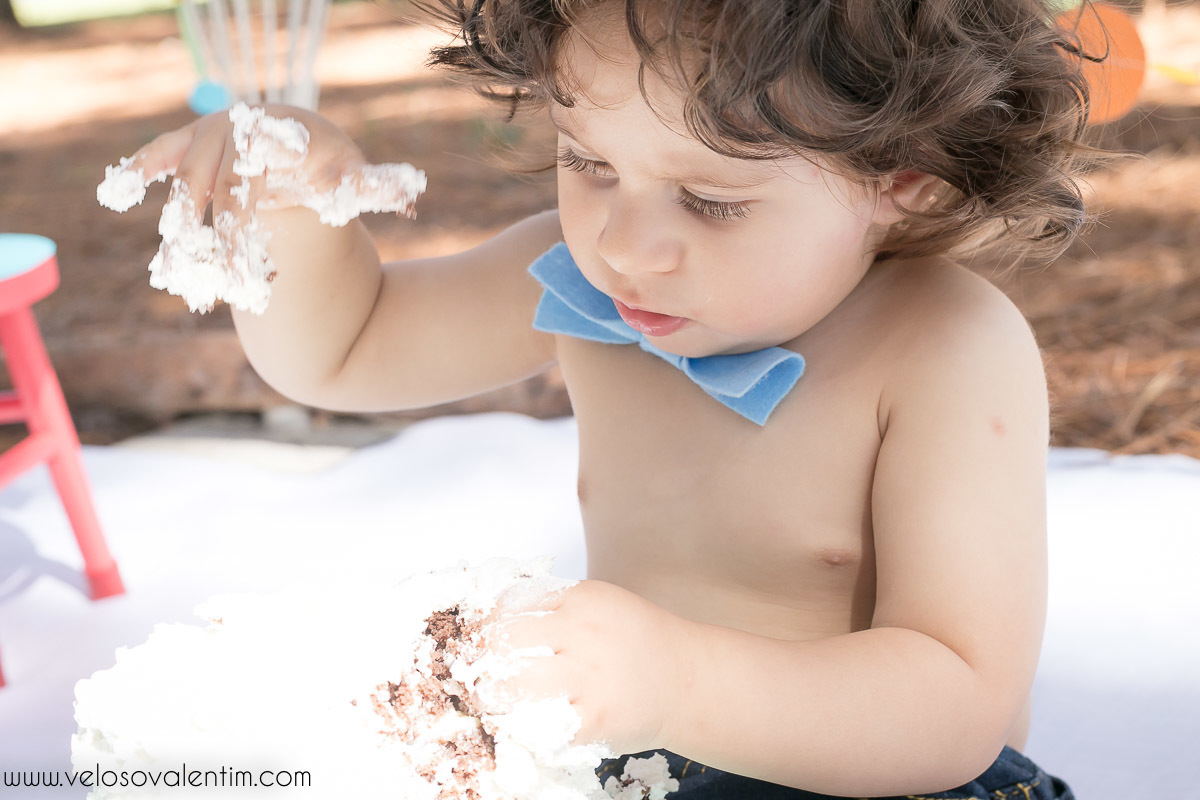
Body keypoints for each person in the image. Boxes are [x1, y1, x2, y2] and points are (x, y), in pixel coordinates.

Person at [129, 0, 1114, 796]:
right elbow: (346, 349)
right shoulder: (582, 282)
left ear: (909, 180)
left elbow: (960, 702)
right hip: (633, 760)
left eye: (712, 201)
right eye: (589, 163)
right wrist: (289, 203)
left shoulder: (945, 345)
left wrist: (679, 682)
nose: (625, 245)